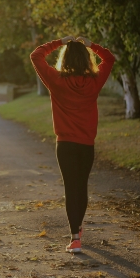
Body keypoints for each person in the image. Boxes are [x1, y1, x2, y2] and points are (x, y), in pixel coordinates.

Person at [30, 35, 115, 253]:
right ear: (87, 60)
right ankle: (77, 227)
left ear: (64, 59)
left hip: (65, 145)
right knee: (81, 186)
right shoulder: (95, 81)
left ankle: (75, 237)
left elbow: (36, 55)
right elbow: (109, 58)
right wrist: (91, 45)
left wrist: (59, 42)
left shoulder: (56, 80)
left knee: (71, 188)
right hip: (86, 144)